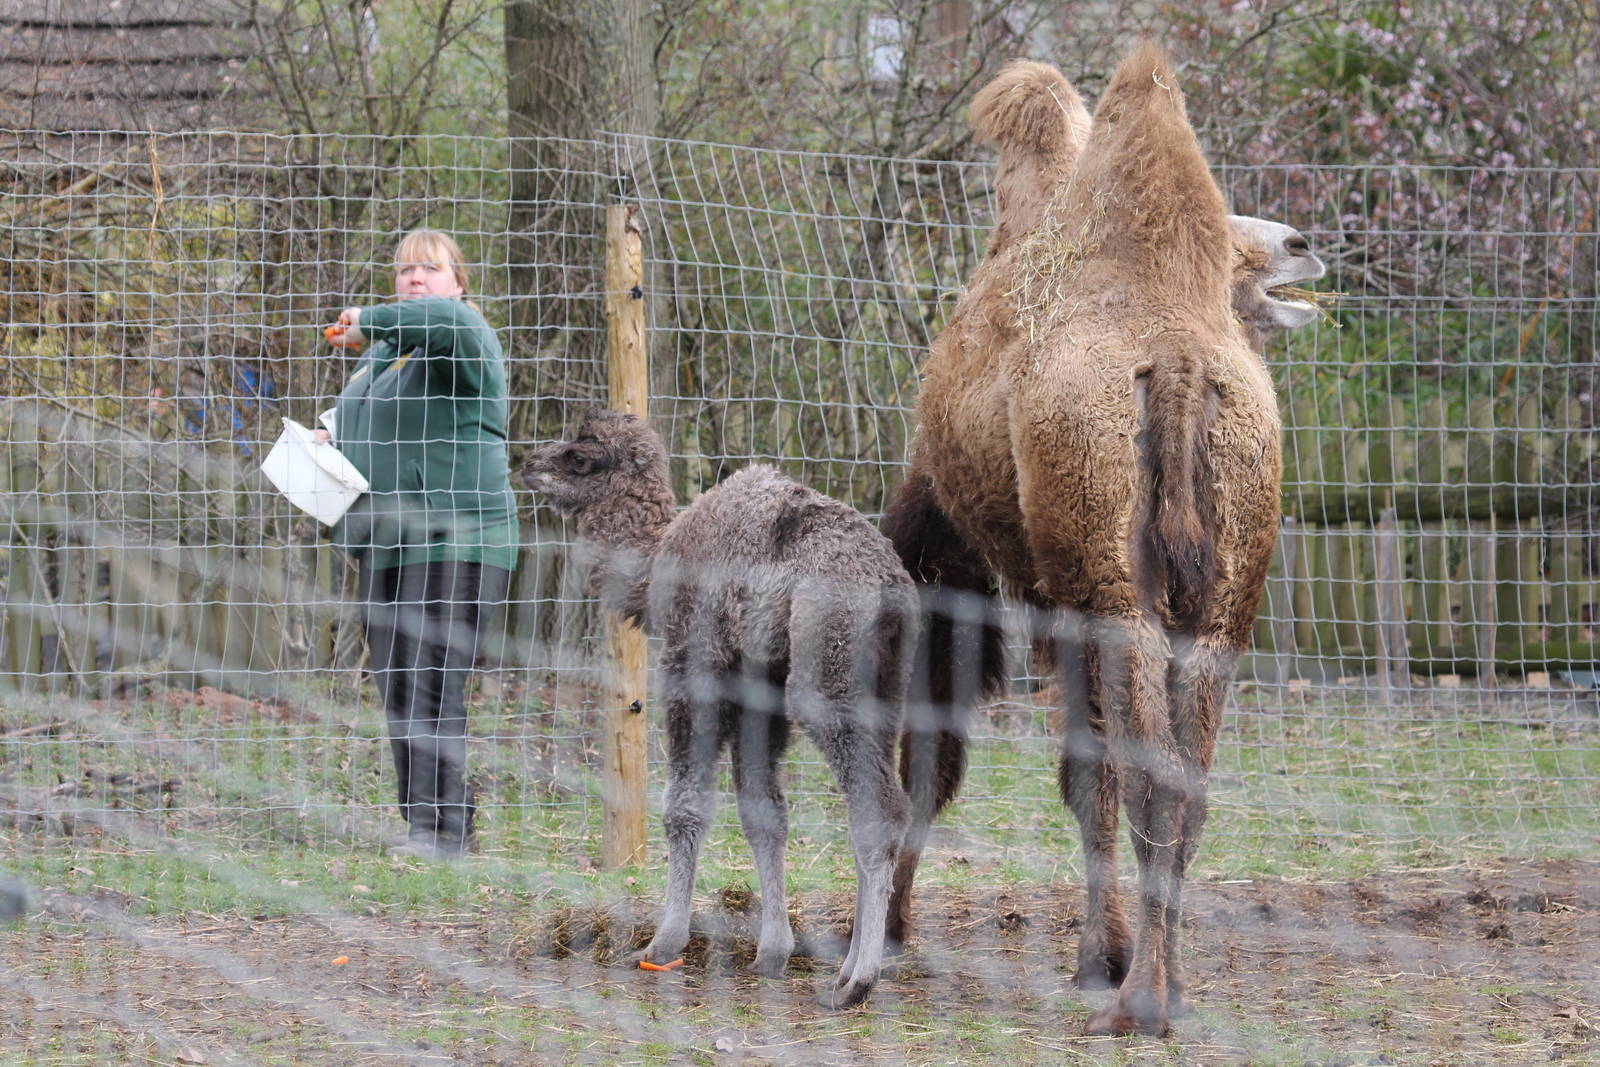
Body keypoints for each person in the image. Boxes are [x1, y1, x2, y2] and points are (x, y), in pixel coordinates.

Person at [318, 229, 518, 860]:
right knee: (397, 686)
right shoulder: (381, 361)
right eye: (404, 269)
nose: (414, 278)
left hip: (457, 536)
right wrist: (327, 441)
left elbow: (440, 324)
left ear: (457, 284)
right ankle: (422, 826)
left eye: (430, 269)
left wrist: (367, 320)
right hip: (388, 544)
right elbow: (362, 425)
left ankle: (446, 834)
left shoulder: (463, 336)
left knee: (433, 681)